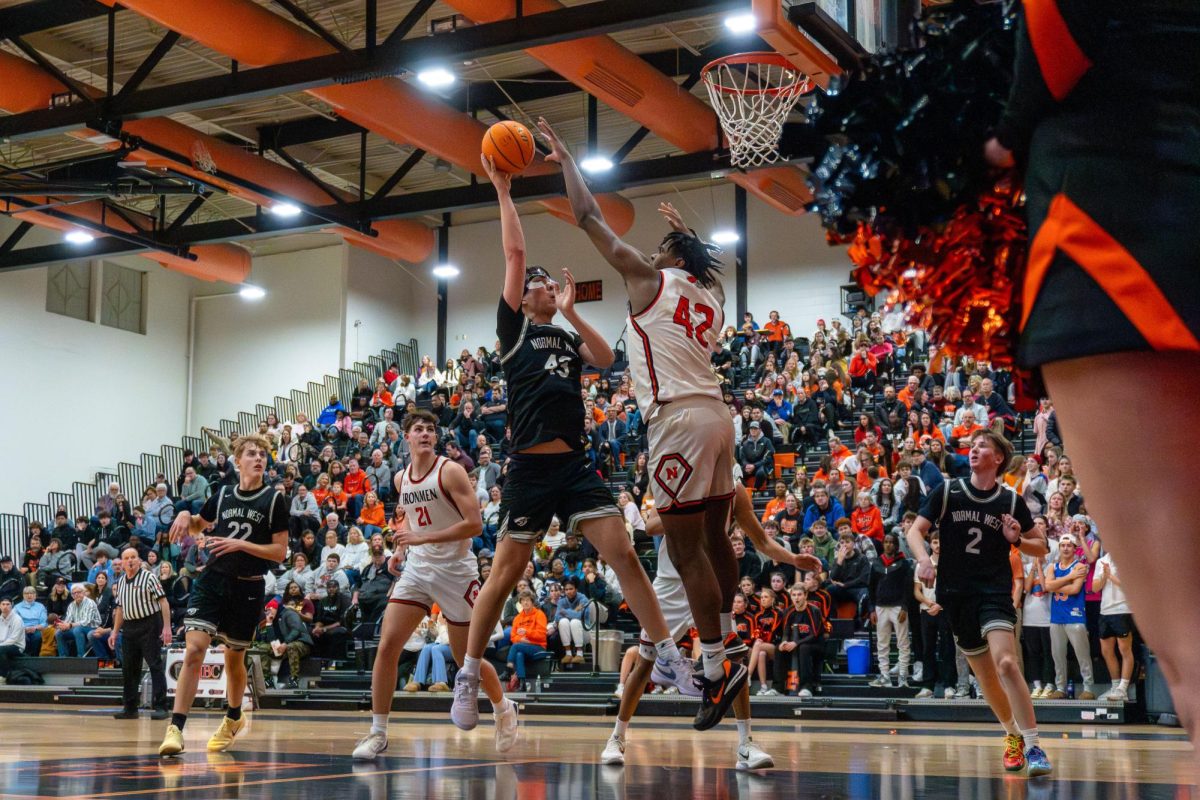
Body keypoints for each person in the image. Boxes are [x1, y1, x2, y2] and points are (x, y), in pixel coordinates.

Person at [450, 152, 697, 740]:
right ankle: (467, 674)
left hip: (577, 466)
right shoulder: (513, 335)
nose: (538, 284)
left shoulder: (564, 336)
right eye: (534, 283)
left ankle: (664, 650)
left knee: (626, 555)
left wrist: (573, 312)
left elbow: (608, 360)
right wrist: (502, 190)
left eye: (543, 282)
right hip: (530, 471)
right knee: (504, 575)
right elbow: (514, 253)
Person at [540, 118, 749, 728]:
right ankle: (728, 636)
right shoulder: (711, 299)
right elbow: (705, 269)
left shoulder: (648, 278)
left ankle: (714, 667)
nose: (652, 252)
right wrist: (689, 238)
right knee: (715, 538)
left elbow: (588, 219)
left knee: (685, 555)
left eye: (662, 247)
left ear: (670, 259)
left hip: (678, 420)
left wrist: (566, 161)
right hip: (718, 416)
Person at [602, 476, 820, 768]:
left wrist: (794, 559)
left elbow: (762, 540)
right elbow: (650, 526)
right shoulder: (680, 475)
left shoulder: (733, 485)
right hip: (672, 585)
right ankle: (617, 737)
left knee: (735, 658)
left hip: (712, 583)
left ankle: (745, 744)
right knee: (645, 662)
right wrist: (696, 508)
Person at [352, 411, 517, 760]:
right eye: (418, 429)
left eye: (430, 429)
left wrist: (421, 537)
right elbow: (411, 518)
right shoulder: (400, 478)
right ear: (406, 437)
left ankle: (503, 708)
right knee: (387, 647)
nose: (425, 433)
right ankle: (378, 732)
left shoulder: (451, 471)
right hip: (418, 569)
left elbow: (474, 525)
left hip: (456, 572)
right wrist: (401, 548)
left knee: (463, 657)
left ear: (435, 437)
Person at [907, 430, 1052, 776]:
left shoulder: (1011, 501)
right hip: (956, 595)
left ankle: (1034, 745)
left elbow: (1042, 546)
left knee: (1006, 663)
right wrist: (923, 558)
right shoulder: (948, 491)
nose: (973, 449)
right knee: (986, 676)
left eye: (982, 445)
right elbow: (915, 531)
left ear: (998, 457)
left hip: (993, 592)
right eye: (971, 446)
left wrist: (1017, 540)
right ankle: (1012, 736)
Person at [160, 434, 288, 757]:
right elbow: (197, 526)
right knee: (194, 649)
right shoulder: (223, 494)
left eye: (262, 454)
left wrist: (240, 544)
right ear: (237, 460)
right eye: (251, 453)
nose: (258, 458)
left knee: (234, 660)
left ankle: (233, 716)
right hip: (213, 579)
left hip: (249, 585)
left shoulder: (273, 500)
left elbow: (280, 552)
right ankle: (175, 727)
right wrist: (184, 515)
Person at [108, 548, 172, 720]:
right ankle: (130, 707)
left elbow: (164, 602)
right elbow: (120, 609)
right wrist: (114, 632)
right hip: (129, 627)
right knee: (129, 668)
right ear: (121, 562)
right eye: (126, 558)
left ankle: (161, 706)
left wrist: (167, 627)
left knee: (154, 665)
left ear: (138, 560)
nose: (130, 561)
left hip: (150, 624)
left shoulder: (149, 577)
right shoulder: (120, 581)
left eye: (133, 557)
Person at [1043, 532, 1095, 700]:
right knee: (1057, 655)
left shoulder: (1079, 566)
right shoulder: (1052, 566)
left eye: (1069, 545)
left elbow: (1074, 590)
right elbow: (1046, 585)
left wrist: (1054, 585)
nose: (1065, 548)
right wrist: (1070, 578)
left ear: (1075, 548)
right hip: (1056, 617)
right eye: (1063, 545)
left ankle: (1088, 688)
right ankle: (1060, 688)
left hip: (1075, 616)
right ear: (1059, 548)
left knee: (1082, 655)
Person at [868, 532, 912, 688]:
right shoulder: (876, 563)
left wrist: (905, 607)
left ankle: (902, 677)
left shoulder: (904, 564)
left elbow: (909, 587)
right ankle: (885, 676)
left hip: (898, 607)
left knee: (903, 643)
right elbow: (871, 588)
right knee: (882, 644)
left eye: (891, 542)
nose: (888, 545)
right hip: (880, 608)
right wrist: (871, 609)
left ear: (896, 545)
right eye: (886, 542)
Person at [1090, 550, 1134, 702]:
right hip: (1105, 611)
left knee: (1124, 649)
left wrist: (1110, 576)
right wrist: (1104, 575)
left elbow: (1130, 587)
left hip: (1123, 610)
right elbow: (1095, 588)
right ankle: (1115, 686)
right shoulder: (1101, 561)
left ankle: (1123, 688)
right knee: (1106, 651)